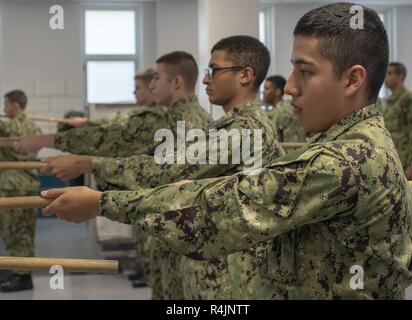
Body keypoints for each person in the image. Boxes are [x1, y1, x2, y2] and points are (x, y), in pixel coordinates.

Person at [41, 3, 412, 299]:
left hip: (227, 279)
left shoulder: (344, 161)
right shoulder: (352, 142)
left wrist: (103, 201)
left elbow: (222, 206)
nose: (289, 88)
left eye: (306, 72)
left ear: (352, 79)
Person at [38, 35, 283, 299]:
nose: (205, 79)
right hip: (218, 266)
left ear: (245, 75)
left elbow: (167, 171)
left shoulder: (245, 129)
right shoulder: (231, 125)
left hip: (231, 276)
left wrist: (90, 170)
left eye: (214, 70)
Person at [15, 53, 211, 159]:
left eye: (157, 79)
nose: (152, 86)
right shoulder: (207, 119)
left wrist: (45, 140)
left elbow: (107, 139)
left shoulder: (164, 121)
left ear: (176, 82)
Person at [0, 90, 42, 292]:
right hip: (25, 183)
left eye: (6, 105)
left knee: (18, 231)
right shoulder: (32, 126)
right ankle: (17, 269)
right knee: (18, 229)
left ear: (16, 106)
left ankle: (23, 276)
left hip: (15, 185)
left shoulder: (13, 126)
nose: (3, 109)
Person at [383, 62, 412, 180]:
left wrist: (411, 165)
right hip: (393, 158)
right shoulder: (389, 102)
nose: (385, 77)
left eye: (389, 73)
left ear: (400, 76)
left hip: (405, 160)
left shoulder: (409, 99)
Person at [263, 75, 306, 142]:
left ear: (278, 92)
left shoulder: (284, 111)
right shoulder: (277, 110)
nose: (263, 92)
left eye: (267, 88)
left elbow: (291, 144)